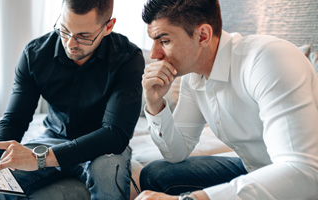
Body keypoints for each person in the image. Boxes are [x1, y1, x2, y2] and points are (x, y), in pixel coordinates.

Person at [136, 0, 318, 199]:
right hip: (254, 168)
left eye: (164, 41)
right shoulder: (193, 76)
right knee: (157, 174)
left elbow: (303, 171)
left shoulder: (268, 58)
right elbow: (176, 153)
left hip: (299, 175)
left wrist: (191, 199)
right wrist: (154, 103)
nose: (154, 54)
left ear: (202, 35)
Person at [0, 0, 144, 199]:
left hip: (102, 146)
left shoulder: (128, 57)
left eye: (83, 36)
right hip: (53, 139)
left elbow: (115, 134)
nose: (70, 43)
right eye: (65, 30)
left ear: (108, 27)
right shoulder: (35, 54)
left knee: (109, 177)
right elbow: (15, 119)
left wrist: (40, 159)